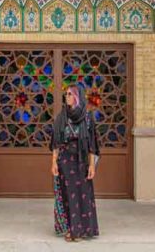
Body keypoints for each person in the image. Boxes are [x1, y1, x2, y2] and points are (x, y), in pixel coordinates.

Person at [50, 83, 100, 242]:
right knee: (69, 195)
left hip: (82, 161)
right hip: (65, 160)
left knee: (83, 194)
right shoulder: (61, 117)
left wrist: (92, 165)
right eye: (66, 94)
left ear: (77, 97)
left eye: (70, 94)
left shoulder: (87, 117)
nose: (67, 97)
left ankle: (84, 229)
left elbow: (92, 144)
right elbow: (56, 142)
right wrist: (53, 162)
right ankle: (72, 230)